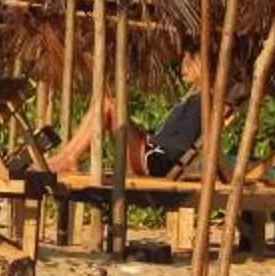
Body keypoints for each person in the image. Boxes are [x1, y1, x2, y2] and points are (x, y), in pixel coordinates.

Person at [45, 47, 210, 178]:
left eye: (188, 63)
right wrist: (146, 132)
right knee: (107, 103)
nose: (183, 68)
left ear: (201, 65)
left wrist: (149, 139)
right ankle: (66, 155)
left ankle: (69, 157)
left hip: (155, 161)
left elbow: (180, 143)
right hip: (151, 153)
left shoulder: (202, 102)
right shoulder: (194, 99)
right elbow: (175, 134)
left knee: (108, 104)